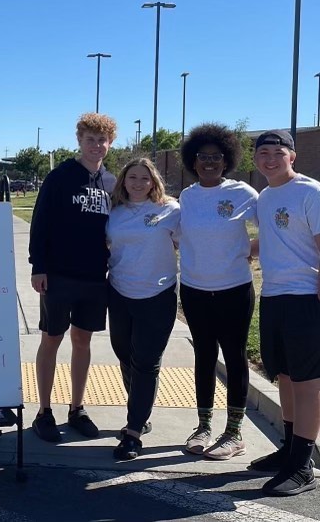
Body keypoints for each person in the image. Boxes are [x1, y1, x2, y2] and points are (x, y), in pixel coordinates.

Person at [28, 112, 117, 442]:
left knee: (83, 341)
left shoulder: (111, 182)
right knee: (51, 339)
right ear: (79, 141)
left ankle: (76, 407)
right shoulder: (61, 176)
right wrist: (38, 266)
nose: (96, 146)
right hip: (59, 274)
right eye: (90, 140)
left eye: (101, 140)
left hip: (95, 276)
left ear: (110, 144)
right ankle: (44, 410)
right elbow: (41, 222)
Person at [178, 123, 258, 460]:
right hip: (195, 290)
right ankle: (203, 426)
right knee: (204, 356)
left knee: (235, 356)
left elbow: (271, 227)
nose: (209, 162)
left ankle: (234, 432)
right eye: (203, 157)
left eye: (216, 157)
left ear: (226, 161)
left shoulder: (243, 193)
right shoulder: (187, 195)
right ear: (193, 161)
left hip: (234, 290)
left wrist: (251, 249)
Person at [250, 130, 319, 496]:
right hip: (274, 295)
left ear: (292, 156)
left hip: (305, 297)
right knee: (286, 377)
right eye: (263, 153)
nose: (270, 159)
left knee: (308, 383)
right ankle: (289, 451)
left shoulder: (310, 192)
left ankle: (303, 465)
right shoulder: (265, 196)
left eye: (278, 152)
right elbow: (277, 239)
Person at [107, 158, 180, 460]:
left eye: (144, 178)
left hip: (158, 294)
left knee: (147, 362)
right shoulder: (114, 213)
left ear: (154, 182)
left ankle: (133, 431)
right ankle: (140, 411)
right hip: (120, 291)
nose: (138, 183)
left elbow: (189, 244)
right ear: (123, 181)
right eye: (132, 177)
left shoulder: (171, 210)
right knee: (125, 354)